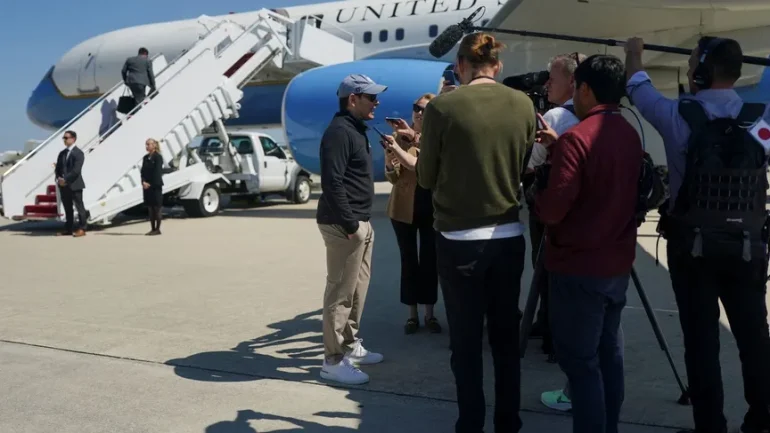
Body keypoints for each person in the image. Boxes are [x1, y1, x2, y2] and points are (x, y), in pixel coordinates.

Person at [625, 36, 770, 433]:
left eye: (692, 65)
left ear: (703, 72)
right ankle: (761, 419)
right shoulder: (761, 121)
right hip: (747, 248)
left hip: (692, 249)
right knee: (755, 339)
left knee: (701, 343)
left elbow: (637, 85)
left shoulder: (677, 115)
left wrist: (634, 52)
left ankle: (710, 425)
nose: (689, 71)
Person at [415, 32, 535, 433]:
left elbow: (426, 178)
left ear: (461, 66)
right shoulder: (523, 103)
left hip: (459, 239)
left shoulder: (442, 107)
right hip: (508, 235)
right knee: (505, 341)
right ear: (497, 66)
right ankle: (508, 422)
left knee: (465, 345)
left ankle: (471, 423)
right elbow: (523, 163)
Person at [534, 54, 642, 433]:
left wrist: (539, 189)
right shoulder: (629, 134)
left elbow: (553, 210)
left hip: (579, 268)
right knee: (609, 354)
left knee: (580, 363)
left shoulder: (577, 139)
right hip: (617, 265)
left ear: (585, 89)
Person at [316, 74, 387, 385]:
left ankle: (349, 345)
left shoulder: (357, 130)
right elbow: (331, 182)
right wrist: (350, 224)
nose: (377, 102)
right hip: (343, 224)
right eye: (371, 97)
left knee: (358, 289)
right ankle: (332, 361)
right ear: (353, 99)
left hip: (360, 221)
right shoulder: (339, 132)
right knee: (340, 292)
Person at [530, 52, 586, 413]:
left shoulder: (554, 118)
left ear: (572, 82)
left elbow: (532, 161)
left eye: (553, 77)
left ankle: (550, 334)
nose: (547, 84)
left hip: (553, 210)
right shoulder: (592, 119)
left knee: (547, 273)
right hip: (588, 220)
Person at [384, 93, 441, 335]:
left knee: (430, 262)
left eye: (424, 109)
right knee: (409, 261)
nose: (418, 113)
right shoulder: (399, 138)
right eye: (416, 108)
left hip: (432, 209)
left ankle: (430, 314)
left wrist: (414, 139)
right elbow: (393, 177)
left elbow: (426, 163)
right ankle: (412, 315)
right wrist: (389, 160)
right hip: (403, 209)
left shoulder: (436, 137)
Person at [55, 130, 87, 237]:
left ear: (73, 139)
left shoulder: (79, 153)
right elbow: (58, 168)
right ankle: (68, 228)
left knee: (79, 207)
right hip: (63, 186)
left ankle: (82, 228)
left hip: (75, 184)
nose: (64, 140)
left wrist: (66, 179)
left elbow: (76, 170)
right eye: (63, 138)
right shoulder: (62, 153)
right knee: (67, 208)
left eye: (66, 138)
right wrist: (59, 179)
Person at [141, 138, 164, 236]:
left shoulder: (158, 157)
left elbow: (157, 172)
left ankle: (158, 229)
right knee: (150, 208)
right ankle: (152, 228)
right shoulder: (145, 158)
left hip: (155, 186)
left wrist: (151, 184)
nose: (147, 146)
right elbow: (143, 171)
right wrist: (143, 182)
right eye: (146, 144)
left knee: (157, 208)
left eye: (149, 144)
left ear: (154, 145)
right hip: (146, 186)